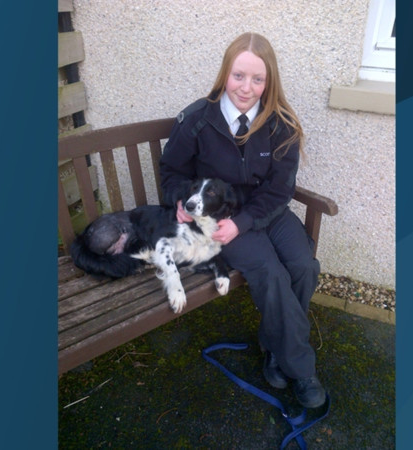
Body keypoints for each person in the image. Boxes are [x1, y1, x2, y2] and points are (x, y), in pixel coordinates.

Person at [159, 32, 326, 408]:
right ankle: (300, 368)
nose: (246, 88)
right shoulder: (198, 120)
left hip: (267, 210)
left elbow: (281, 188)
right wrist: (179, 201)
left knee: (303, 265)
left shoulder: (281, 123)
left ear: (269, 82)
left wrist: (247, 220)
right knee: (269, 271)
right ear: (224, 75)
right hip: (221, 219)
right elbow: (171, 171)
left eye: (257, 79)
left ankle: (274, 346)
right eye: (238, 76)